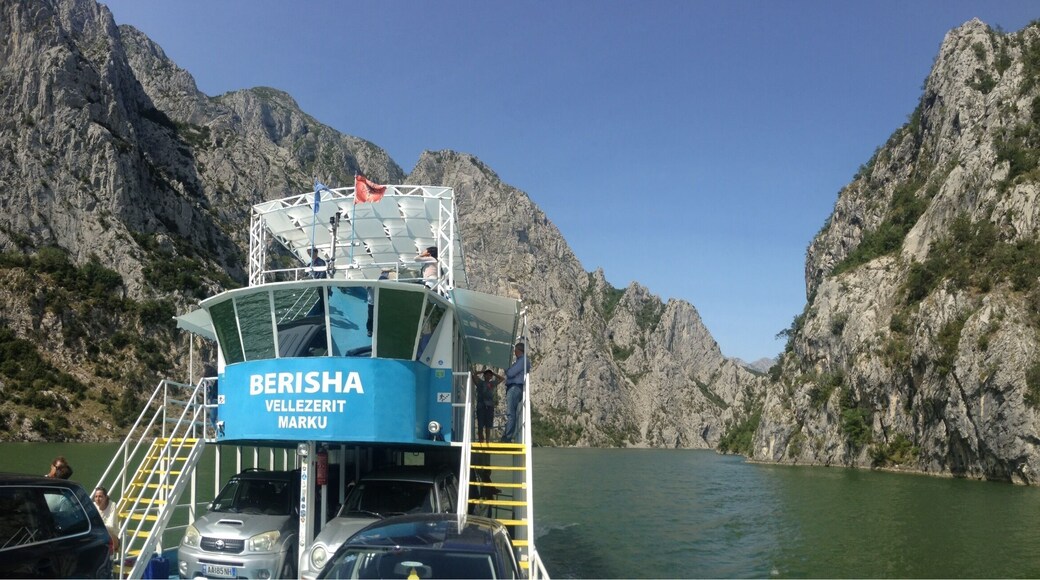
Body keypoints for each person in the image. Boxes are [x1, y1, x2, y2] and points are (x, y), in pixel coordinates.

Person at [500, 343, 529, 443]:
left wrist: (506, 368)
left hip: (515, 388)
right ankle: (507, 436)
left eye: (515, 350)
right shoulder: (521, 361)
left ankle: (507, 437)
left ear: (518, 350)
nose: (514, 352)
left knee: (510, 413)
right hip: (515, 388)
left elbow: (510, 373)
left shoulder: (522, 360)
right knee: (511, 413)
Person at [471, 368, 502, 444]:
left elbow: (502, 378)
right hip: (481, 405)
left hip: (490, 406)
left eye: (490, 375)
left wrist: (493, 373)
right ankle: (481, 439)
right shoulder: (480, 383)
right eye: (487, 375)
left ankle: (487, 440)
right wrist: (482, 371)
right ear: (484, 376)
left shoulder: (492, 383)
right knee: (480, 424)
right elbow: (473, 375)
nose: (488, 376)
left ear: (491, 377)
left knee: (488, 424)